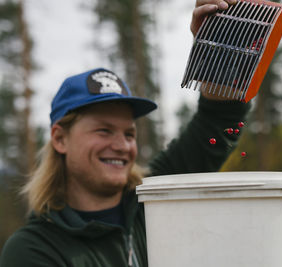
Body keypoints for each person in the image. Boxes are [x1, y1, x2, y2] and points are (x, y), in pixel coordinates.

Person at [0, 0, 247, 266]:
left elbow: (216, 123)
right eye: (104, 131)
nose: (121, 145)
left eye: (129, 134)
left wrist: (222, 45)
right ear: (60, 139)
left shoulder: (155, 201)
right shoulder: (32, 250)